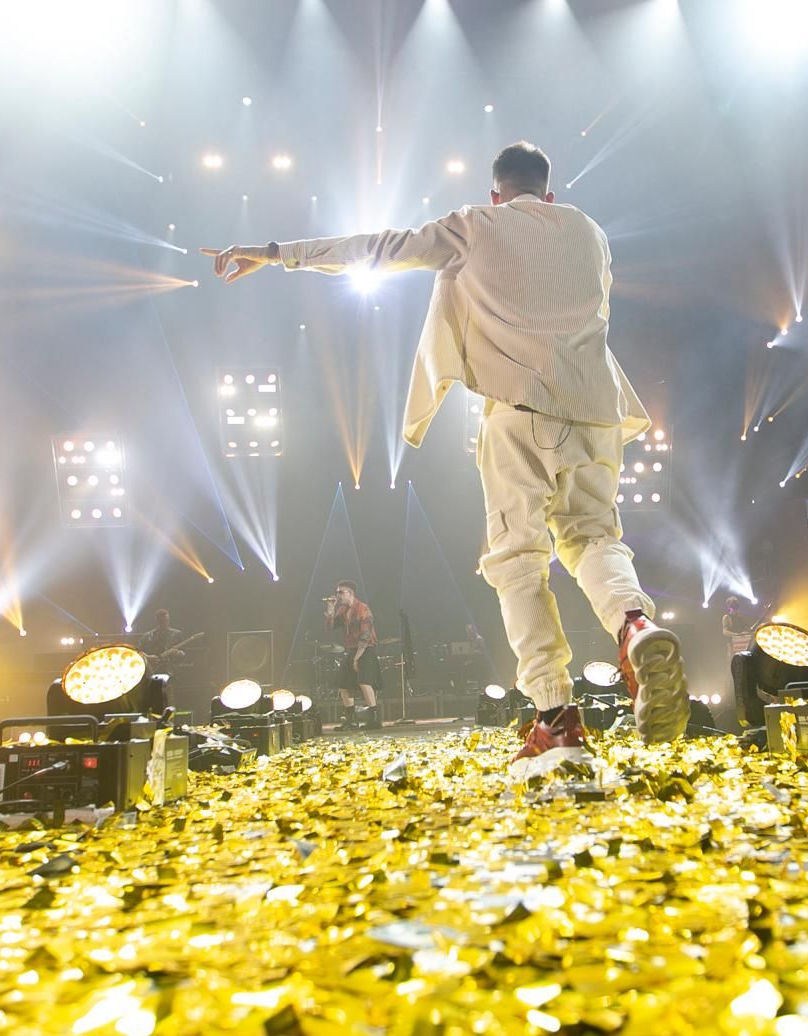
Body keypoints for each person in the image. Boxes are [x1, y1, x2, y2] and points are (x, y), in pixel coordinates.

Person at [202, 141, 688, 761]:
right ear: (549, 194)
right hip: (598, 413)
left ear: (495, 194)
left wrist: (275, 254)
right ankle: (634, 624)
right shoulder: (589, 231)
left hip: (519, 411)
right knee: (594, 538)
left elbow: (379, 248)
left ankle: (557, 718)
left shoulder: (475, 224)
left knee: (517, 562)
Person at [324, 581, 382, 723]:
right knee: (343, 684)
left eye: (341, 592)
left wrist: (356, 659)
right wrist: (330, 609)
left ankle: (374, 719)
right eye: (337, 592)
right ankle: (351, 719)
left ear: (350, 593)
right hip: (352, 649)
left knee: (364, 682)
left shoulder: (362, 608)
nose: (338, 595)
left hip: (365, 649)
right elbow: (330, 627)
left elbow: (366, 636)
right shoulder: (342, 610)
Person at [722, 597, 762, 735]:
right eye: (732, 607)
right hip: (732, 646)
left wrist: (748, 632)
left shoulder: (741, 617)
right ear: (729, 607)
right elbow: (725, 632)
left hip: (743, 646)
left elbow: (748, 629)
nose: (734, 609)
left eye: (736, 607)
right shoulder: (727, 618)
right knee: (733, 669)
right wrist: (736, 635)